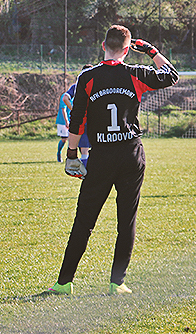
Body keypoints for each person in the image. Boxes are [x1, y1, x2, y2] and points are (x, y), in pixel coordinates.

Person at [47, 26, 179, 296]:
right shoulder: (134, 73)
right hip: (131, 154)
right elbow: (171, 75)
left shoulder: (88, 76)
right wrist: (151, 51)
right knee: (126, 221)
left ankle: (64, 282)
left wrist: (72, 155)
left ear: (103, 44)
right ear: (128, 48)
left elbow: (77, 120)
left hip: (101, 156)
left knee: (83, 221)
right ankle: (117, 283)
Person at [63, 64, 95, 168]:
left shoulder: (76, 86)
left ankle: (85, 173)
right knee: (94, 149)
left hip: (81, 120)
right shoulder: (95, 86)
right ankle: (90, 171)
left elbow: (65, 98)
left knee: (84, 150)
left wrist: (74, 109)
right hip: (93, 120)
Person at [55, 82, 72, 163]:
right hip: (63, 121)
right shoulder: (65, 96)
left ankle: (69, 157)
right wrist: (66, 121)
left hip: (72, 120)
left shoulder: (75, 97)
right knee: (64, 139)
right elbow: (63, 109)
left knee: (72, 139)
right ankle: (59, 153)